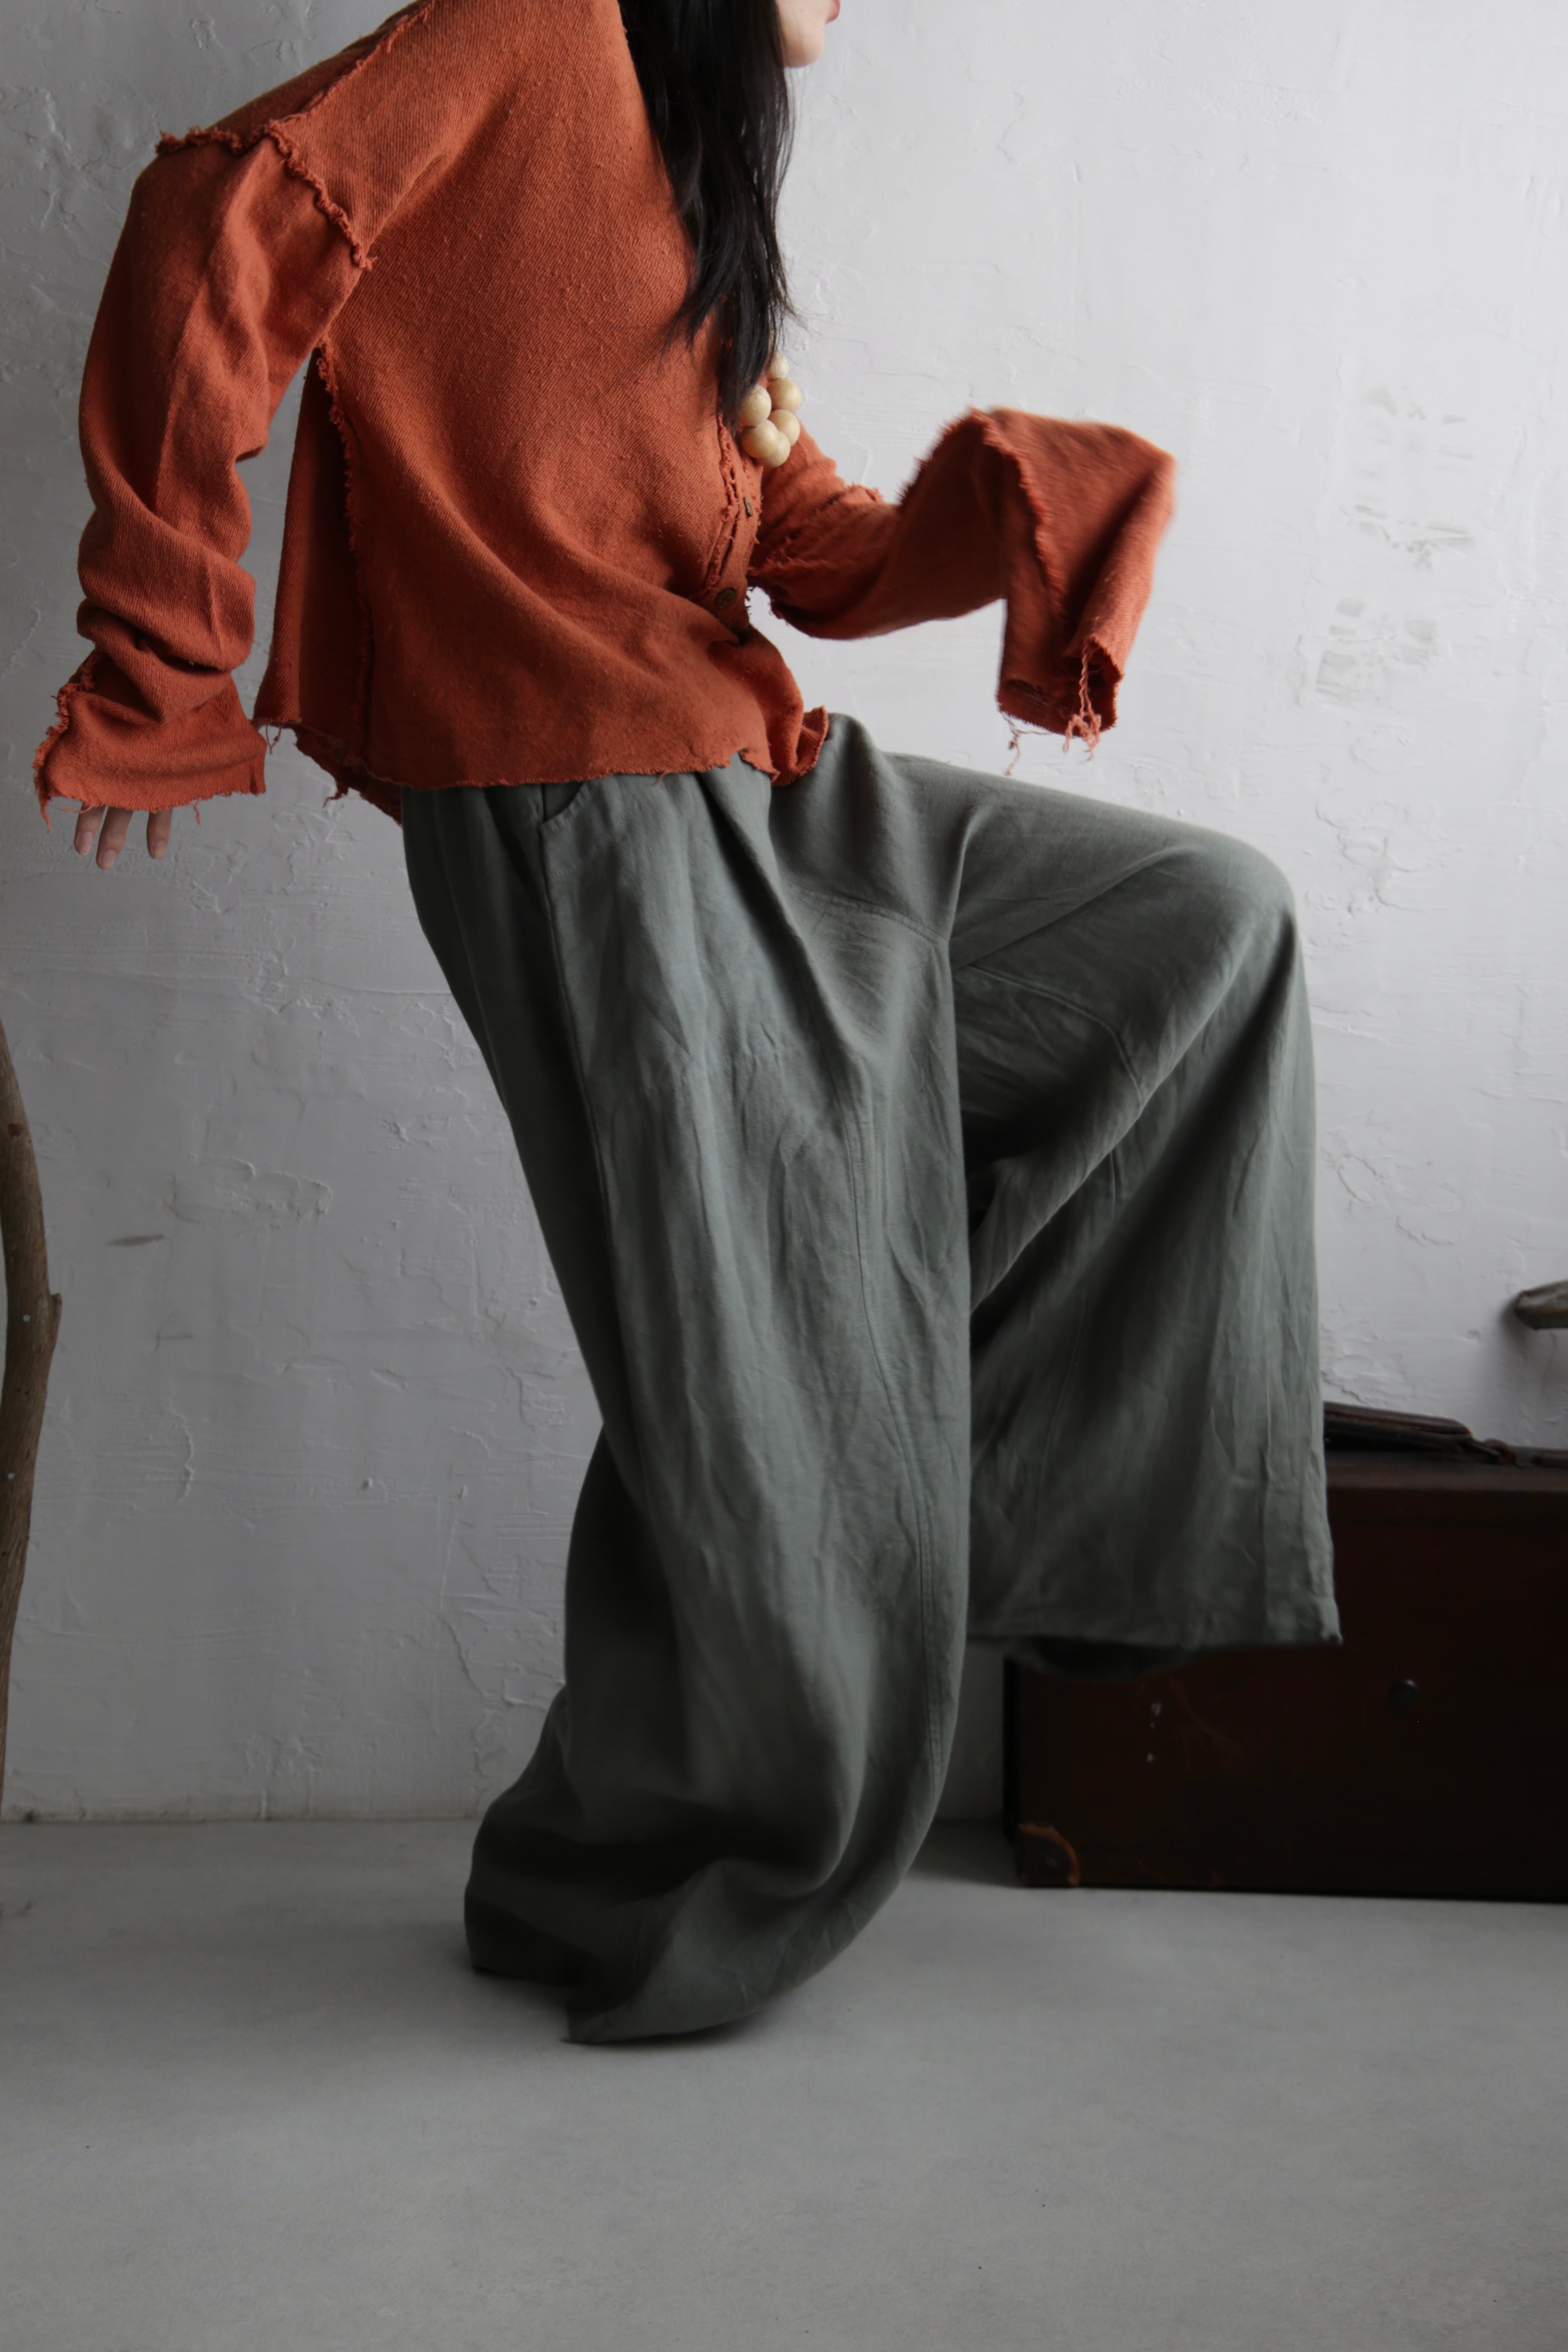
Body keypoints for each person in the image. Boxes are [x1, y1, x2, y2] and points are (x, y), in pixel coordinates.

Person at [37, 0, 1337, 2042]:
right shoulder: (534, 25)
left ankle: (958, 1514)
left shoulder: (680, 168)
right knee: (755, 1356)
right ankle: (642, 1867)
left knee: (1203, 936)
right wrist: (162, 658)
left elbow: (790, 543)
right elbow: (222, 217)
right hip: (590, 813)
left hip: (761, 776)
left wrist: (1003, 510)